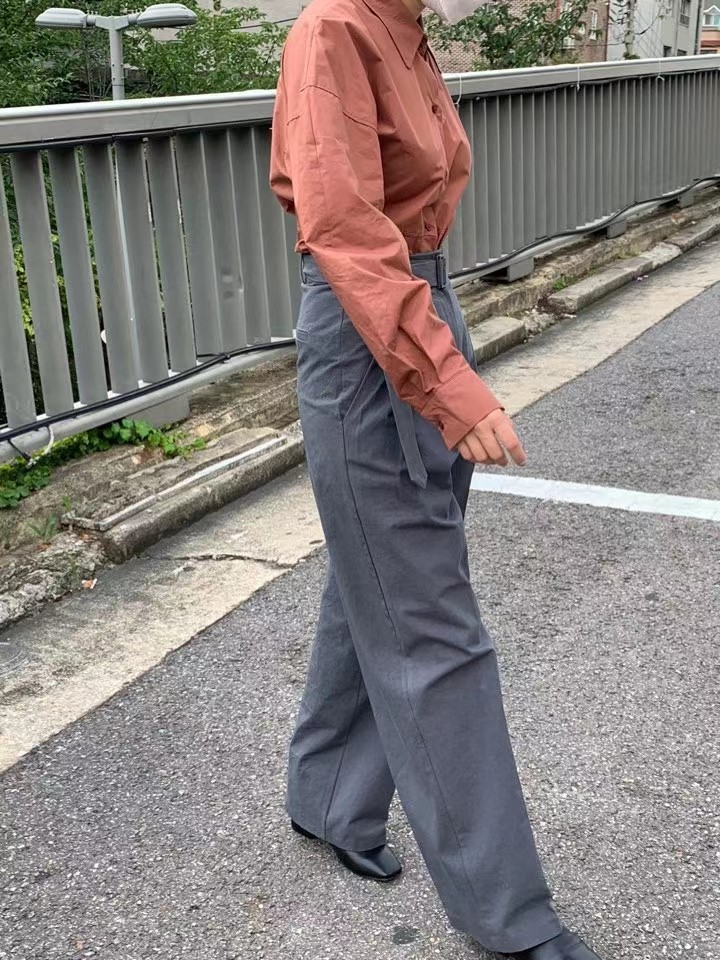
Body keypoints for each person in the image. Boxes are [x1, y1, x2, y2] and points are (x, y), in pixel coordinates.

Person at [269, 0, 603, 957]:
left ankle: (329, 797)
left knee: (377, 576)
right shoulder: (335, 29)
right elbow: (343, 226)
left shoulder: (409, 32)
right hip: (369, 331)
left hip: (416, 307)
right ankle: (510, 917)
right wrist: (448, 382)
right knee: (431, 624)